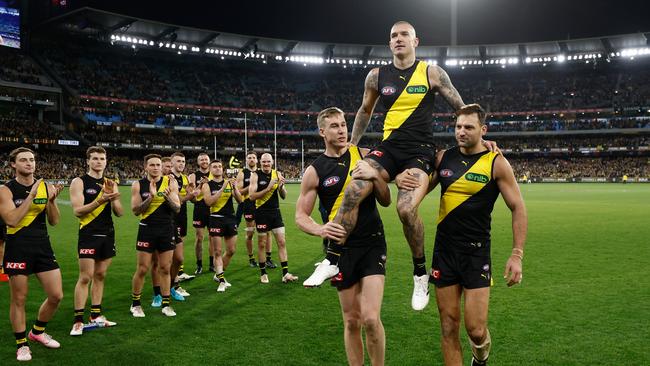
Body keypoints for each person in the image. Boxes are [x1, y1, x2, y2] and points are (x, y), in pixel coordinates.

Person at [304, 21, 497, 311]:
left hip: (420, 151)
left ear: (415, 41)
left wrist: (484, 140)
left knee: (406, 208)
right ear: (389, 43)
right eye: (393, 36)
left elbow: (462, 109)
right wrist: (354, 146)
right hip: (389, 148)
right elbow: (365, 110)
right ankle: (332, 259)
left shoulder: (432, 72)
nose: (398, 39)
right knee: (355, 187)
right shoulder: (376, 76)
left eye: (404, 34)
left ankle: (420, 273)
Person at [397, 104, 527, 365]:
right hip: (445, 252)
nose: (461, 132)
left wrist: (517, 254)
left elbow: (518, 207)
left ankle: (480, 357)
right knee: (448, 326)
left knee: (476, 330)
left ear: (483, 130)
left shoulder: (496, 162)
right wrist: (402, 177)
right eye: (458, 126)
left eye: (468, 127)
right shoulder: (443, 158)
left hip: (476, 253)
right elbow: (418, 187)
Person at [296, 107, 391, 365]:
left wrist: (376, 177)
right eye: (335, 126)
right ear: (322, 132)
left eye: (343, 124)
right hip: (341, 250)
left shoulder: (363, 156)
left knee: (371, 318)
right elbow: (300, 216)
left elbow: (385, 199)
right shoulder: (315, 170)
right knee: (351, 321)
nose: (341, 130)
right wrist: (320, 229)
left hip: (372, 243)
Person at [0, 147, 64, 361]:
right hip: (18, 247)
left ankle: (36, 332)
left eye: (32, 160)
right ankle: (22, 344)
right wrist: (32, 196)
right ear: (13, 165)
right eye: (24, 160)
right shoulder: (5, 190)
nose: (29, 163)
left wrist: (52, 201)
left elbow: (54, 221)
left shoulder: (45, 186)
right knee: (19, 299)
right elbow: (11, 220)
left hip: (42, 247)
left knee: (56, 295)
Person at [69, 146, 123, 336]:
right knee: (86, 277)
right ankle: (77, 321)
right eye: (95, 158)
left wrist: (114, 198)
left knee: (100, 275)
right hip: (88, 234)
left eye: (102, 158)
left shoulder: (110, 182)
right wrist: (101, 200)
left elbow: (119, 212)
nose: (99, 161)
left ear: (106, 161)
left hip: (107, 234)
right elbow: (77, 210)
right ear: (88, 161)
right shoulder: (79, 182)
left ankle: (95, 315)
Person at [129, 154, 181, 318]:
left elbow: (177, 207)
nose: (156, 167)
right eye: (152, 165)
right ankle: (136, 304)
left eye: (158, 165)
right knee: (143, 268)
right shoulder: (138, 185)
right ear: (145, 167)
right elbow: (136, 210)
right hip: (147, 229)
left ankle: (166, 304)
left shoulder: (170, 182)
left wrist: (165, 197)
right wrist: (151, 197)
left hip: (166, 229)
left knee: (165, 268)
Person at [248, 153, 298, 284]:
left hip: (276, 213)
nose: (266, 164)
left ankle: (285, 273)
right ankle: (263, 273)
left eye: (268, 161)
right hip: (261, 213)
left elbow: (284, 196)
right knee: (262, 244)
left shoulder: (278, 173)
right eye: (263, 162)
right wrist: (268, 188)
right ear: (260, 162)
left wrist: (281, 187)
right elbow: (251, 196)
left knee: (282, 242)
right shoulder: (255, 175)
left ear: (272, 162)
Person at [202, 160, 243, 292]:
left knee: (231, 250)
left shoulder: (229, 183)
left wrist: (235, 187)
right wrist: (223, 187)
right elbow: (209, 202)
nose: (218, 168)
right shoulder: (207, 185)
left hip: (230, 219)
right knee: (218, 252)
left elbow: (240, 200)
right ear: (210, 169)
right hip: (216, 219)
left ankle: (218, 274)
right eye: (214, 167)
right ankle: (221, 279)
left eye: (220, 166)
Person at [235, 152, 274, 268]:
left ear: (257, 160)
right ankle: (251, 258)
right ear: (246, 160)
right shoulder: (243, 173)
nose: (251, 159)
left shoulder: (262, 172)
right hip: (249, 205)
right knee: (250, 233)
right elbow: (239, 192)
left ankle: (268, 258)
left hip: (263, 205)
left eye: (253, 158)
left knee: (267, 232)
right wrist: (252, 184)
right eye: (249, 158)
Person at [189, 152, 213, 274]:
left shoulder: (214, 174)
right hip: (199, 208)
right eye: (202, 160)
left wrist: (210, 183)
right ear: (198, 162)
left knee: (213, 237)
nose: (204, 161)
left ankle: (212, 263)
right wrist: (200, 184)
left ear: (209, 161)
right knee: (199, 238)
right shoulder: (193, 176)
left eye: (206, 159)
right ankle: (199, 265)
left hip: (212, 208)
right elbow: (191, 195)